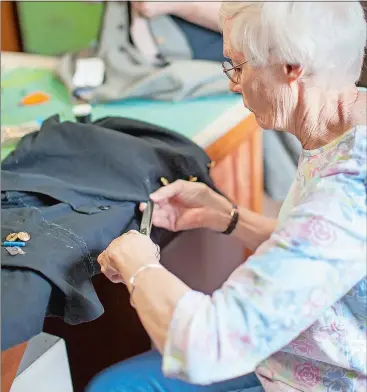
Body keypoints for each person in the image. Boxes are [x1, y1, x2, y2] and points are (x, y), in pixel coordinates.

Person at [87, 2, 367, 391]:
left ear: (292, 66)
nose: (233, 83)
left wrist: (138, 266)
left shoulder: (350, 189)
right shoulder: (346, 123)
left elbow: (205, 349)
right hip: (299, 354)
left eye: (239, 65)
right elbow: (319, 250)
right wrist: (228, 217)